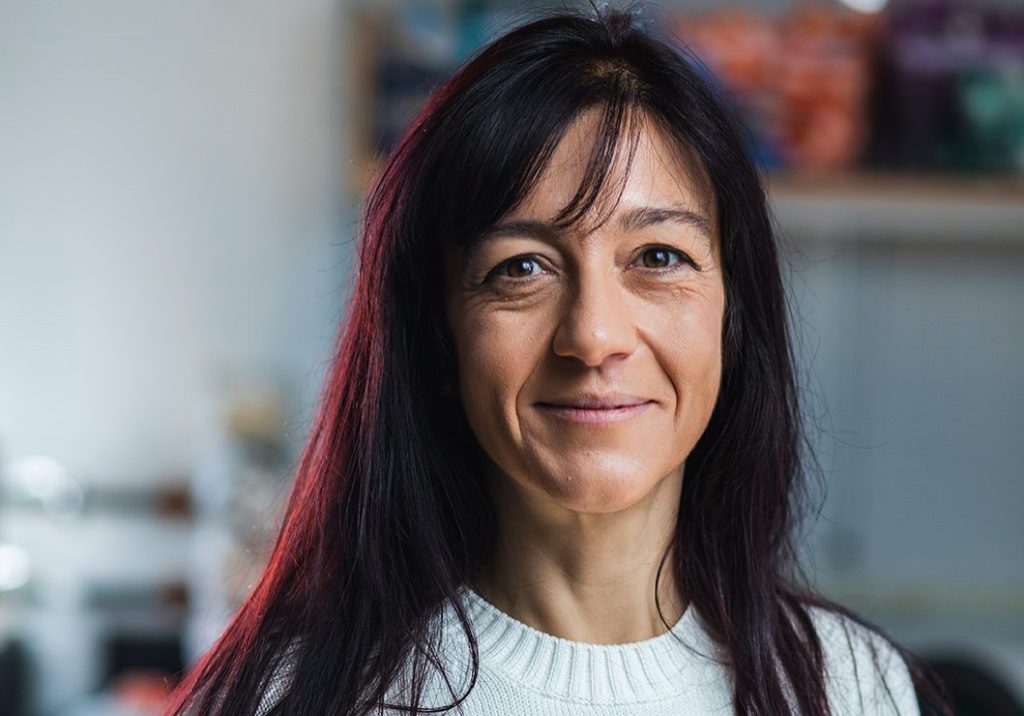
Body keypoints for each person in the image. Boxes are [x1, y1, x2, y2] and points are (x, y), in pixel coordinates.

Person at [164, 6, 950, 716]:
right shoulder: (295, 699)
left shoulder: (847, 687)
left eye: (658, 256)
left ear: (733, 312)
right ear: (438, 331)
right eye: (522, 268)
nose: (595, 335)